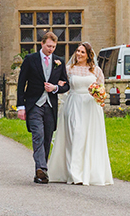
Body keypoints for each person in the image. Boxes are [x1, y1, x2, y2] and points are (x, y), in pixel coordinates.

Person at [48, 42, 113, 186]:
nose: (78, 54)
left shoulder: (96, 71)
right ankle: (74, 174)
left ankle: (88, 172)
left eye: (82, 52)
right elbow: (63, 86)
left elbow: (102, 90)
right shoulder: (68, 69)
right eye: (78, 51)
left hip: (90, 107)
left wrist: (99, 96)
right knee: (75, 135)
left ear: (88, 55)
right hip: (74, 104)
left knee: (88, 138)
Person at [15, 31, 71, 184]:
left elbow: (66, 84)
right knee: (38, 135)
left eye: (53, 47)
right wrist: (20, 106)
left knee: (46, 138)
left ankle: (39, 172)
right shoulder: (30, 59)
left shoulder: (59, 61)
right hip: (34, 105)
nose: (51, 49)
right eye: (48, 46)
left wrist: (55, 88)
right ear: (42, 44)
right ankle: (42, 168)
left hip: (50, 106)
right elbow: (21, 84)